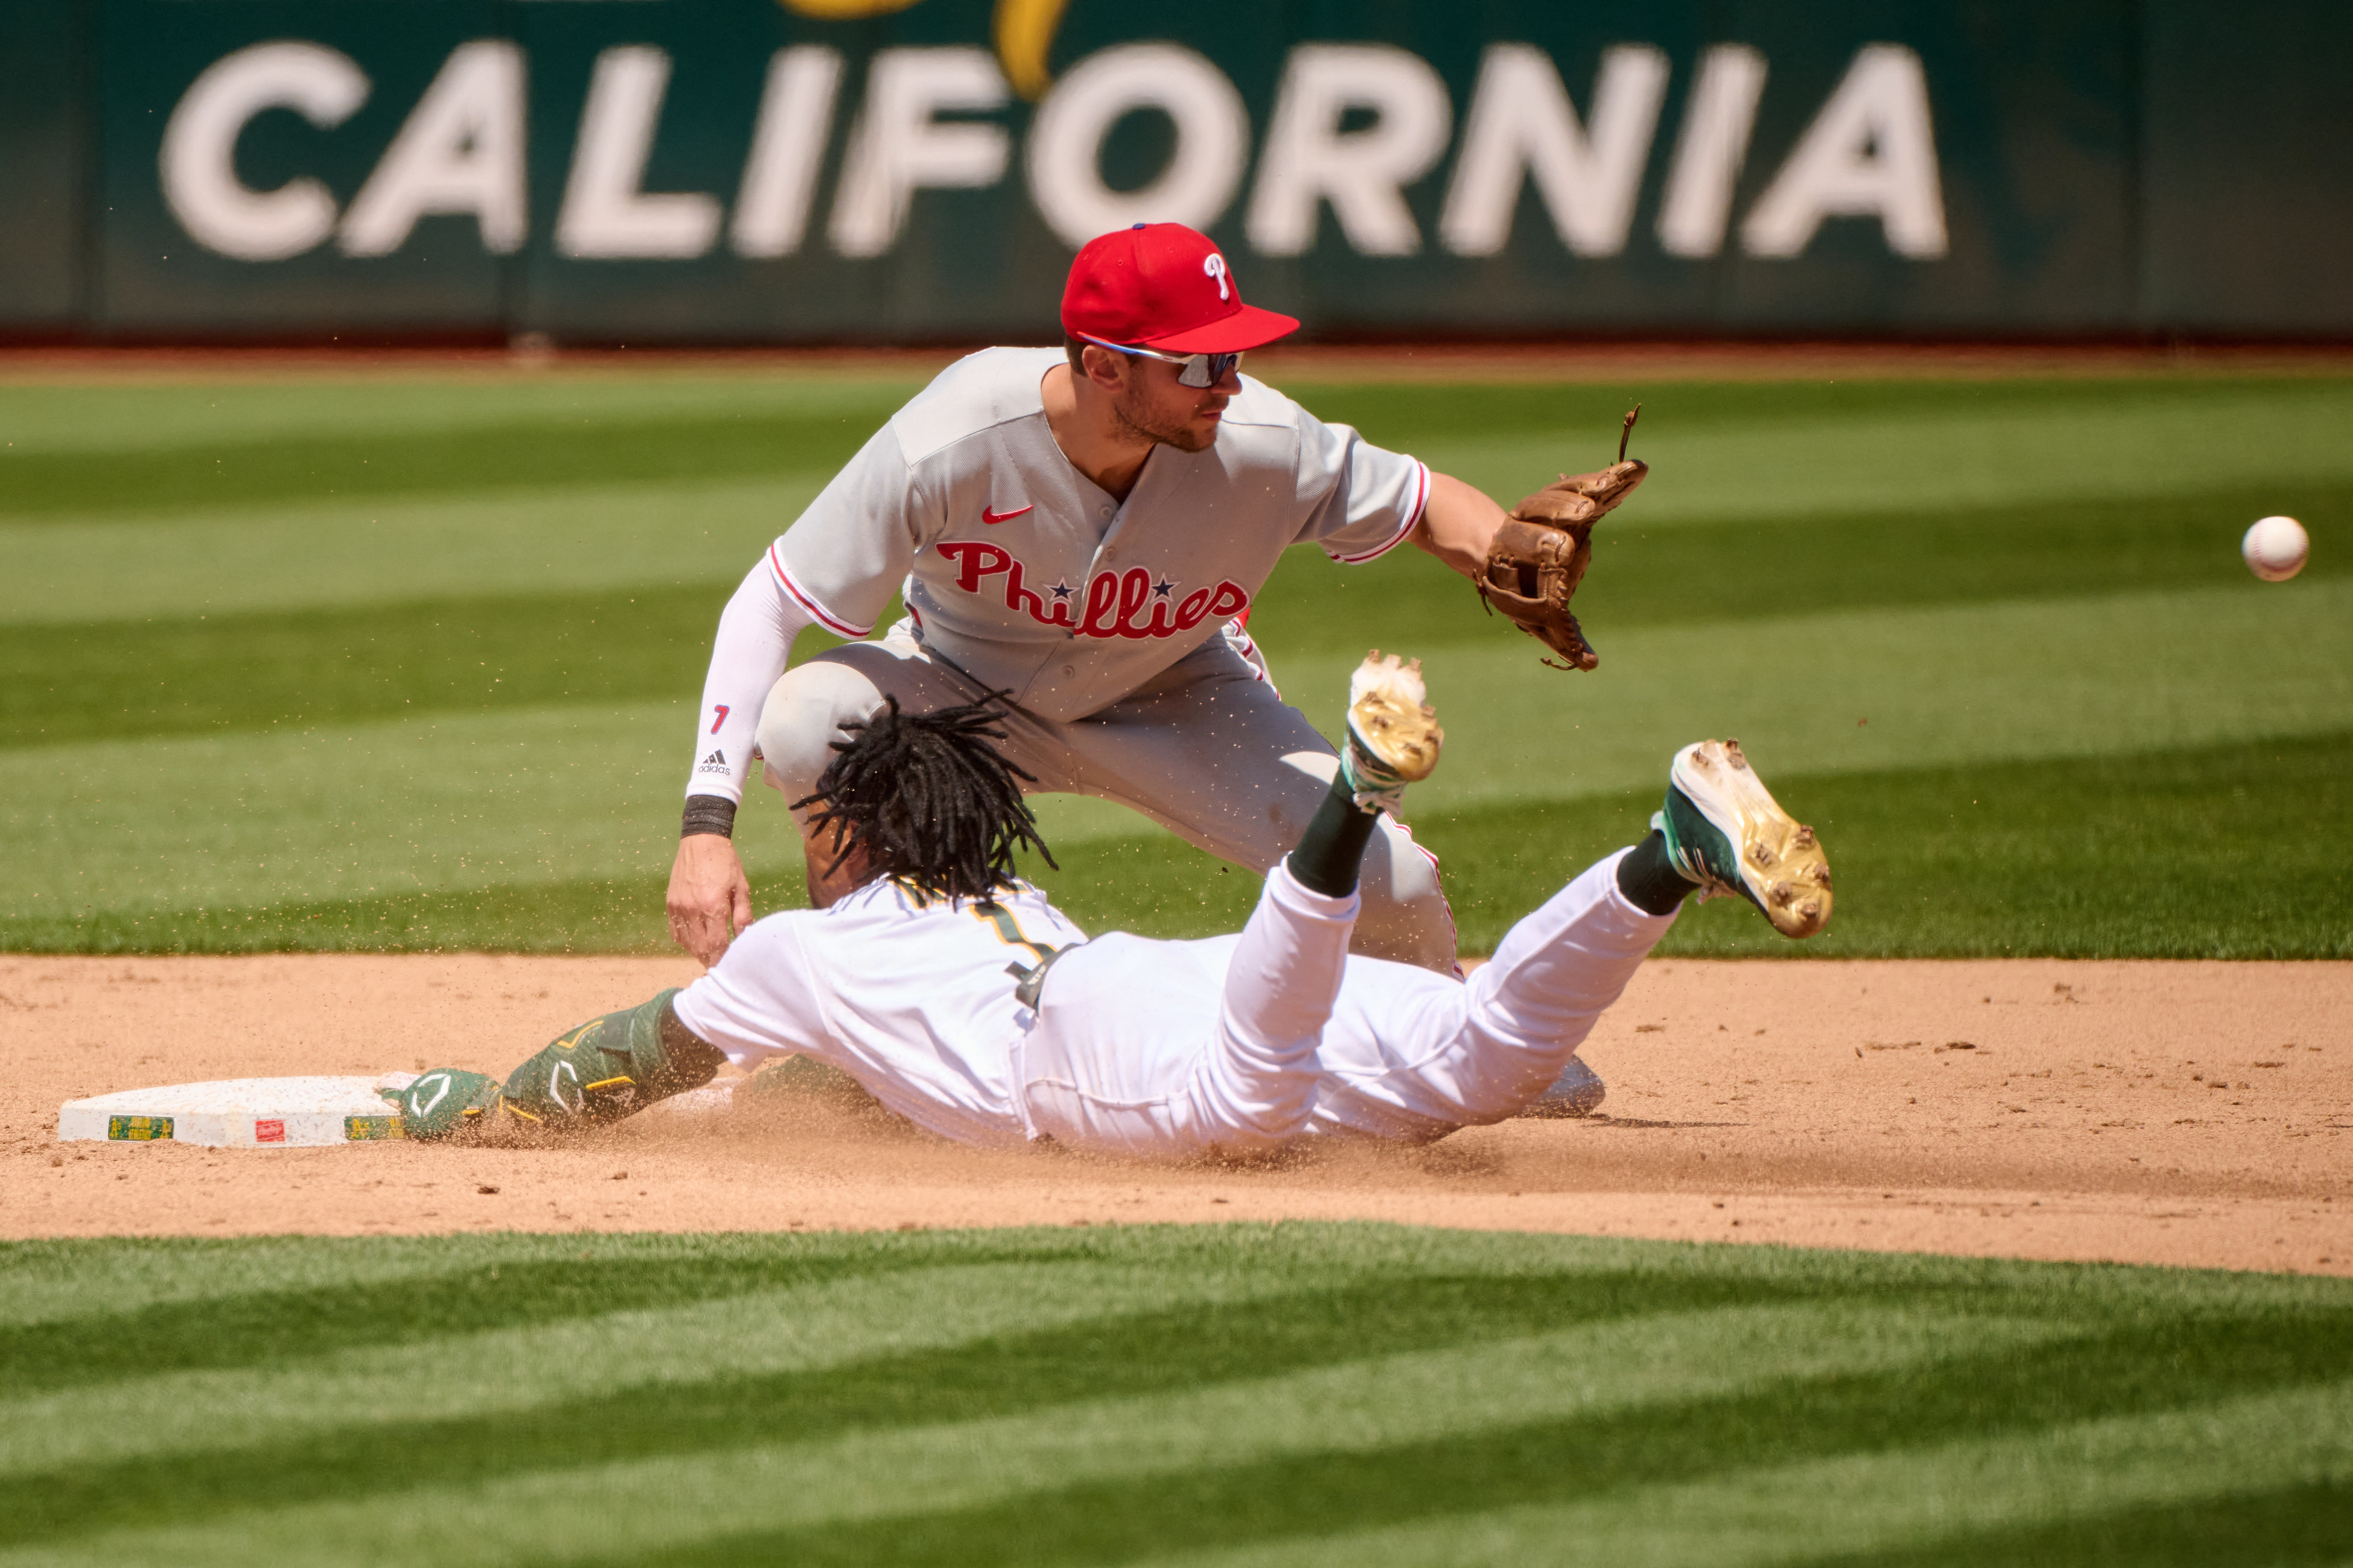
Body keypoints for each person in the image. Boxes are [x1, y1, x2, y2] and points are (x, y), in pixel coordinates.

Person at [664, 222, 1636, 995]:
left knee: (1394, 885)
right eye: (1198, 363)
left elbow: (1424, 502)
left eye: (1232, 356)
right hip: (962, 699)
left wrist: (1505, 547)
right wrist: (706, 827)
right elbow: (768, 604)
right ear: (1102, 367)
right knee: (808, 722)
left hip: (1179, 695)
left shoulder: (1263, 441)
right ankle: (863, 1009)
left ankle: (1447, 1034)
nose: (1229, 381)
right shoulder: (953, 437)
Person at [392, 655, 1832, 1158]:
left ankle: (1350, 803)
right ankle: (1665, 852)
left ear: (828, 819)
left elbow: (633, 1057)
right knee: (1486, 1061)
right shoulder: (988, 886)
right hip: (1162, 974)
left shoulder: (793, 949)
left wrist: (490, 1105)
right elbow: (860, 1082)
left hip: (1089, 1057)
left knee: (1253, 1102)